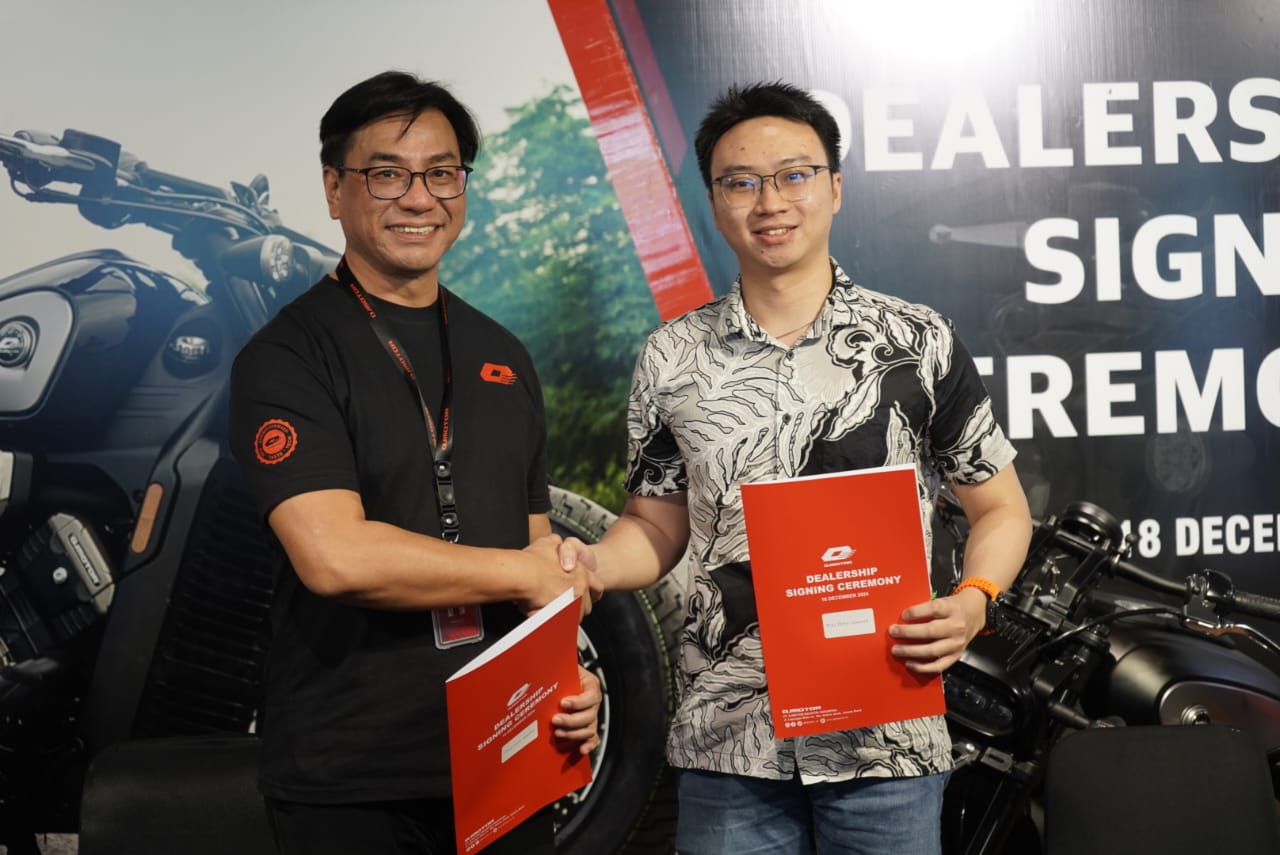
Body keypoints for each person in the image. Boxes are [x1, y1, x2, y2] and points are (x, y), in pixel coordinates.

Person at [559, 81, 1033, 854]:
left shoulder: (918, 341)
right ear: (715, 204)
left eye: (794, 175)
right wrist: (593, 564)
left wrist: (975, 599)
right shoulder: (672, 357)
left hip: (886, 738)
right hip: (729, 739)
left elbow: (1001, 508)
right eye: (741, 182)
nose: (770, 201)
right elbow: (654, 523)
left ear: (834, 188)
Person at [228, 71, 601, 855]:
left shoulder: (503, 355)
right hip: (352, 777)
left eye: (441, 173)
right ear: (334, 189)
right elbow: (334, 556)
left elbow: (537, 546)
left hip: (508, 759)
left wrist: (569, 677)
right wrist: (523, 573)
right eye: (387, 175)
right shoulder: (288, 356)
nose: (419, 198)